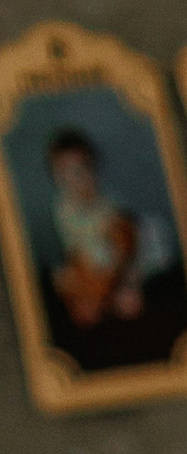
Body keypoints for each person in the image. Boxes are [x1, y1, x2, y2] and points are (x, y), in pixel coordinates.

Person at [44, 131, 144, 328]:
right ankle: (98, 303)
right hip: (88, 267)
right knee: (73, 296)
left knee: (131, 303)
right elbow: (73, 247)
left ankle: (115, 298)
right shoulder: (62, 207)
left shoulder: (106, 203)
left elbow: (124, 236)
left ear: (93, 173)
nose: (72, 181)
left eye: (79, 171)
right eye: (63, 174)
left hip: (115, 267)